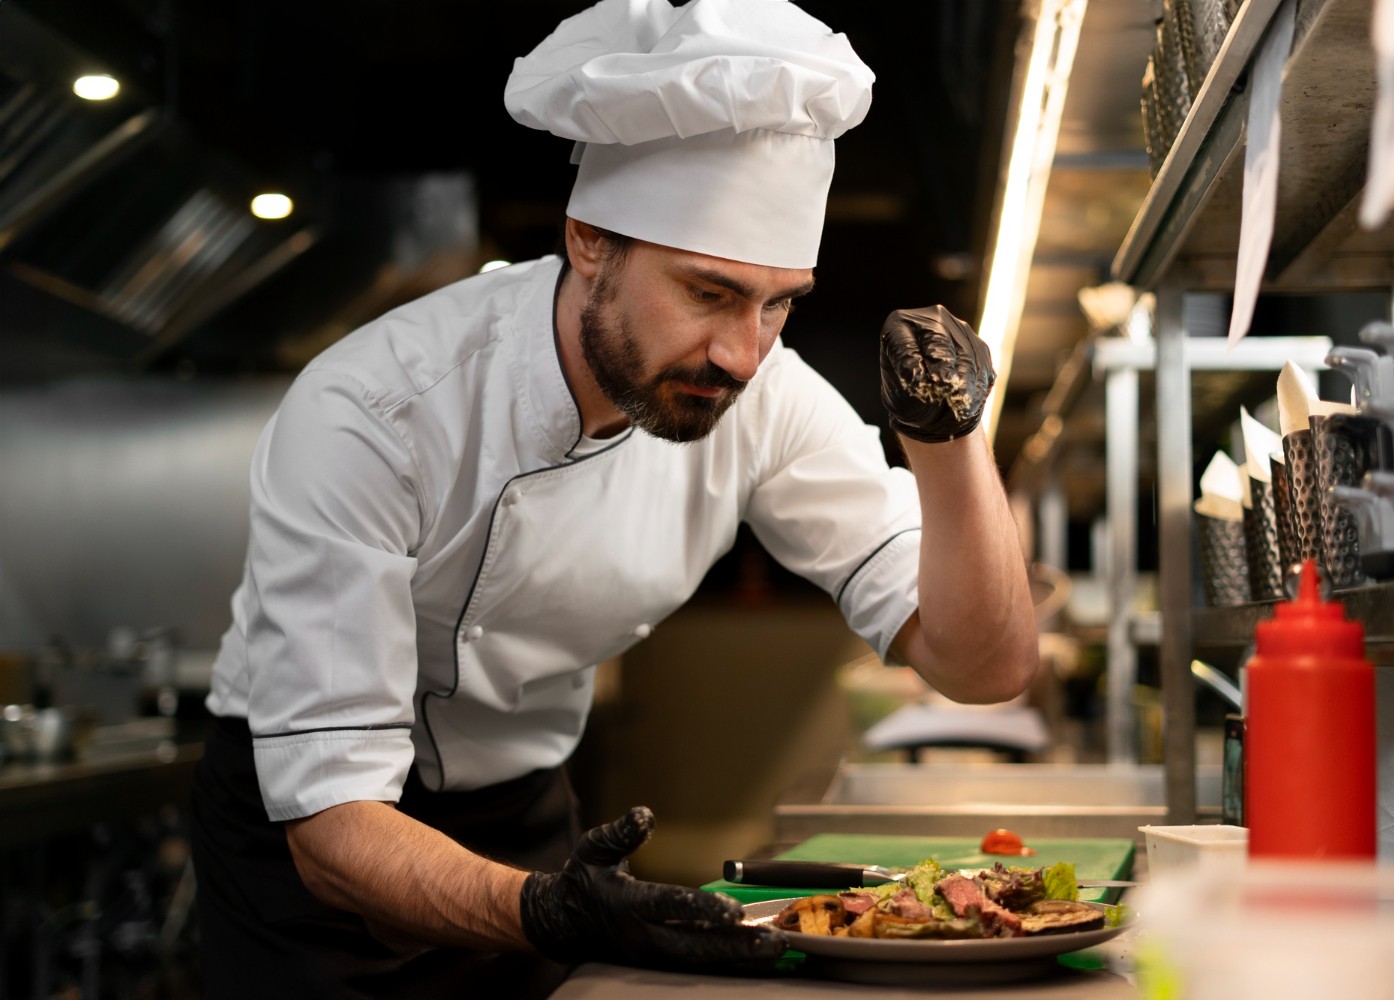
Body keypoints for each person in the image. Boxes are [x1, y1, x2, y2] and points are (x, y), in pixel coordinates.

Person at [188, 0, 1039, 995]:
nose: (741, 352)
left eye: (779, 303)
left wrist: (949, 442)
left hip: (522, 812)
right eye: (708, 293)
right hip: (309, 851)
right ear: (589, 241)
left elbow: (985, 665)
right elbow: (333, 823)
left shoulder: (767, 397)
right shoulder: (373, 411)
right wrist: (543, 909)